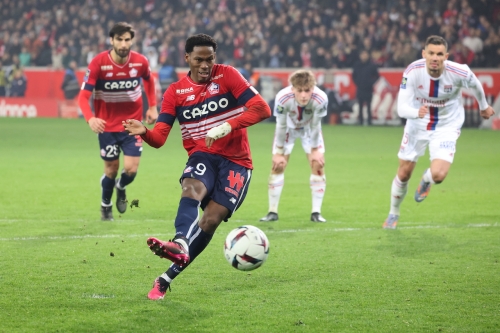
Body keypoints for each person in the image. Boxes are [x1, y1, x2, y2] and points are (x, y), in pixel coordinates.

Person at [122, 33, 271, 300]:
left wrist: (226, 126)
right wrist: (144, 130)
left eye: (210, 59)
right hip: (202, 155)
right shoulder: (175, 92)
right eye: (199, 60)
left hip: (237, 162)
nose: (205, 65)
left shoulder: (228, 76)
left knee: (210, 221)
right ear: (187, 58)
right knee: (191, 188)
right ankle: (179, 242)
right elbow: (159, 139)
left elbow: (261, 108)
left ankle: (165, 279)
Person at [383, 35, 495, 229]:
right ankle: (394, 213)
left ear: (446, 56)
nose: (435, 58)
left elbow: (475, 84)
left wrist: (483, 106)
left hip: (446, 126)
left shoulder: (458, 72)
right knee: (404, 173)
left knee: (439, 176)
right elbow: (401, 108)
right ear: (424, 54)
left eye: (440, 54)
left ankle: (427, 179)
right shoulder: (412, 71)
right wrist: (416, 112)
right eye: (431, 53)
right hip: (417, 124)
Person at [77, 22, 158, 221]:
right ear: (111, 40)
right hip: (108, 128)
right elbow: (82, 97)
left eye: (127, 39)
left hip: (132, 126)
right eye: (119, 39)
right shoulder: (98, 63)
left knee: (131, 170)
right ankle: (106, 205)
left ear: (132, 41)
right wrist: (90, 119)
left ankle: (121, 187)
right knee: (111, 170)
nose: (123, 43)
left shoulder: (140, 62)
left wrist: (153, 106)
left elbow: (149, 80)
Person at [259, 70, 328, 223]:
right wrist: (278, 151)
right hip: (288, 129)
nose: (304, 95)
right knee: (278, 166)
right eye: (300, 91)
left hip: (309, 130)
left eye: (307, 90)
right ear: (293, 88)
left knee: (317, 164)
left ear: (313, 88)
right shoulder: (283, 98)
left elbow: (316, 125)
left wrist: (315, 150)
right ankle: (272, 212)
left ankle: (316, 212)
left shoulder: (321, 98)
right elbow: (281, 126)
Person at [352, 49, 379, 125]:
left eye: (365, 54)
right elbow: (353, 76)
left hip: (368, 89)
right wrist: (358, 83)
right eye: (362, 54)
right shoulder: (357, 65)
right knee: (360, 105)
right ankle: (360, 121)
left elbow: (377, 76)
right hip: (360, 88)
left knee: (369, 106)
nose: (364, 56)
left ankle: (369, 121)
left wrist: (371, 83)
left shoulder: (372, 65)